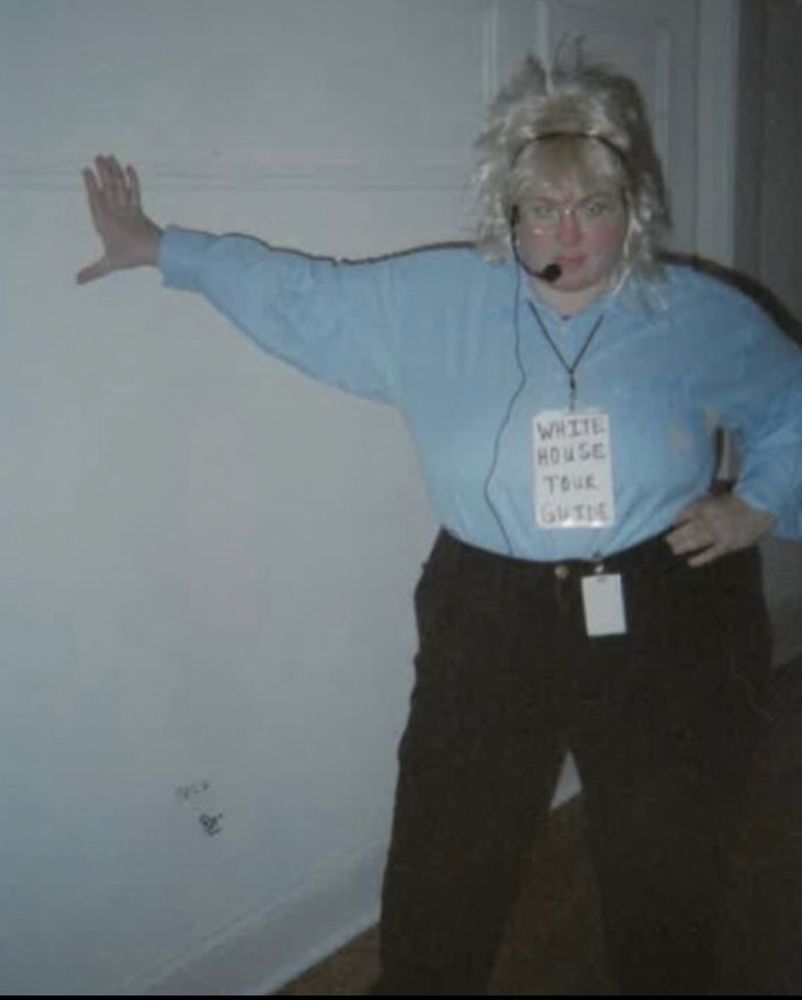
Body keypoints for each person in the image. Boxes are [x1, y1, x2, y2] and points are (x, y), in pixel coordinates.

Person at [78, 53, 802, 996]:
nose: (569, 232)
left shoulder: (697, 311)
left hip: (661, 601)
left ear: (634, 206)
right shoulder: (437, 300)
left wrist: (759, 504)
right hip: (489, 610)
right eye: (544, 206)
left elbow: (790, 400)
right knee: (446, 851)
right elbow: (303, 293)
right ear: (509, 209)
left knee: (667, 852)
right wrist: (164, 247)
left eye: (594, 204)